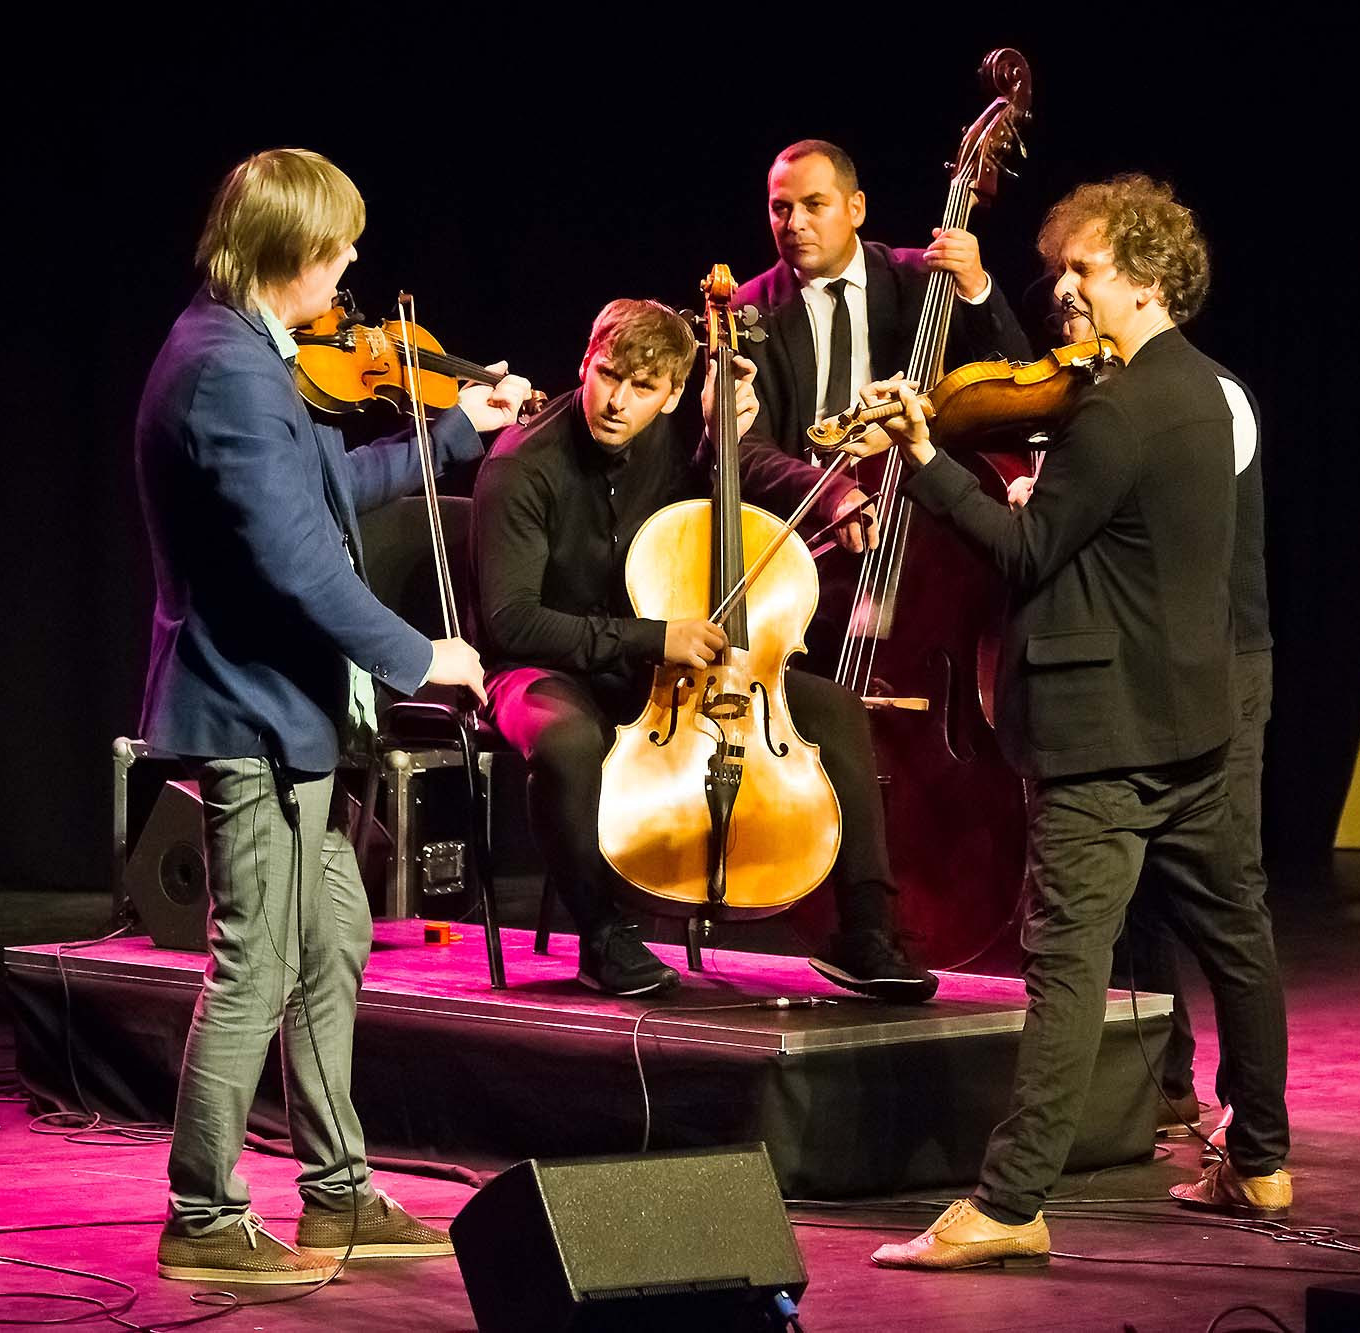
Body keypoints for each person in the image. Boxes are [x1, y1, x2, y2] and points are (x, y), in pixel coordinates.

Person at [867, 175, 1292, 1270]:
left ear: (1146, 281)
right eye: (1061, 268)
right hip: (1192, 721)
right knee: (1235, 933)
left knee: (1064, 965)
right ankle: (1259, 1158)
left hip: (1104, 734)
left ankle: (1010, 1204)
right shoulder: (1204, 393)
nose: (1063, 288)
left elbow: (1025, 553)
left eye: (1084, 270)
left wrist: (926, 464)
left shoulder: (1115, 407)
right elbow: (1133, 544)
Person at [135, 148, 530, 1282]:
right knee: (255, 964)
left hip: (284, 711)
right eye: (340, 247)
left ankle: (338, 1191)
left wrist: (456, 430)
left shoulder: (254, 353)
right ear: (292, 250)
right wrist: (422, 655)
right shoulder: (227, 369)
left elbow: (329, 493)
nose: (350, 266)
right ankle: (203, 1215)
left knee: (333, 936)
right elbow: (297, 563)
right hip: (251, 711)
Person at [470, 297, 935, 1001]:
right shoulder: (520, 466)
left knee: (835, 708)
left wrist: (832, 492)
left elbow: (745, 464)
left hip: (655, 671)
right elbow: (513, 623)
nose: (618, 401)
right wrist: (656, 638)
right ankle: (602, 933)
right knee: (567, 740)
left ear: (673, 393)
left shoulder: (682, 434)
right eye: (608, 375)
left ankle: (866, 930)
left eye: (643, 387)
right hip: (543, 663)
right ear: (585, 363)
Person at [1011, 299, 1275, 1139]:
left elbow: (1170, 525)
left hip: (1221, 659)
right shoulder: (1107, 400)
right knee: (1142, 906)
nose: (1066, 303)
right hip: (1150, 666)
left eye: (1084, 274)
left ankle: (1249, 1119)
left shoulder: (1198, 396)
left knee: (1225, 903)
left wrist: (1059, 507)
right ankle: (1170, 1082)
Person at [736, 139, 1034, 669]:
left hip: (923, 532)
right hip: (807, 546)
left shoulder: (923, 279)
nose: (794, 223)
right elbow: (741, 447)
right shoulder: (749, 310)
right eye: (781, 208)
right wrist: (829, 493)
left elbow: (1015, 387)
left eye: (814, 205)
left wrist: (975, 287)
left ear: (856, 208)